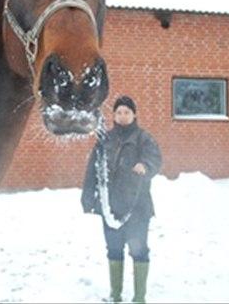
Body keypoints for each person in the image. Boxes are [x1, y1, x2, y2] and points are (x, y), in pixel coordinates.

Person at [81, 95, 163, 303]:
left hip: (137, 206)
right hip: (111, 205)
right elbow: (93, 168)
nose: (123, 115)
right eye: (119, 112)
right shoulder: (105, 139)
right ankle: (115, 295)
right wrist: (88, 196)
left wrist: (145, 165)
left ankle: (139, 297)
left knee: (139, 249)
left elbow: (155, 158)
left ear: (134, 114)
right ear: (114, 116)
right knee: (114, 249)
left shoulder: (143, 138)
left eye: (127, 112)